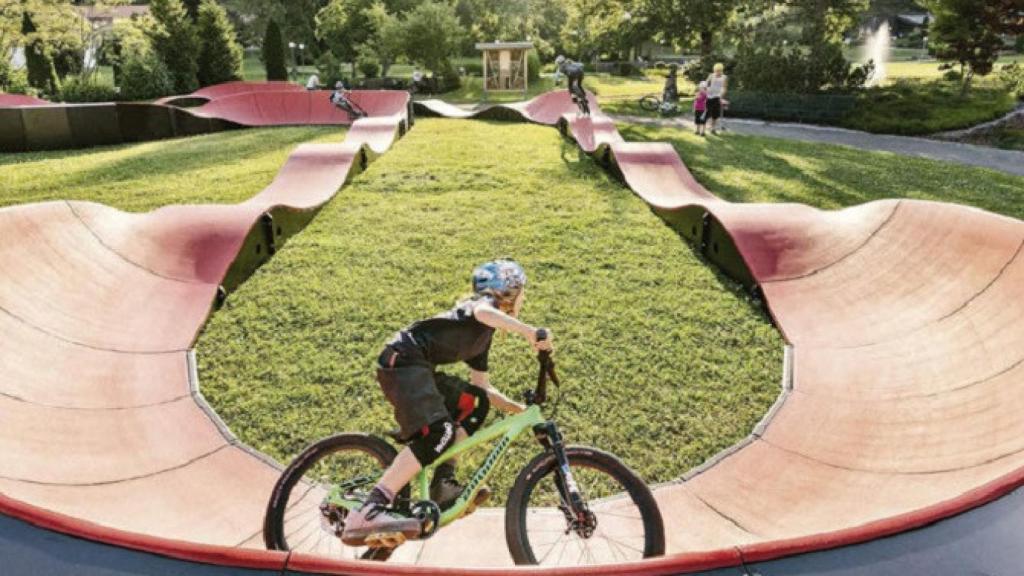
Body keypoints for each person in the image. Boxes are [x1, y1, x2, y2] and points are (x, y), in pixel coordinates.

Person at [340, 259, 554, 547]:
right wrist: (530, 332)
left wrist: (523, 413)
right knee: (438, 433)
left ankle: (443, 485)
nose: (524, 299)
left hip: (418, 368)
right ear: (508, 290)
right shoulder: (478, 308)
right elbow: (483, 312)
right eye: (522, 292)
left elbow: (484, 389)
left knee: (475, 403)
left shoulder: (483, 336)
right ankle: (368, 510)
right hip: (402, 361)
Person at [705, 63, 728, 134]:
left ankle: (713, 128)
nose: (718, 72)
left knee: (715, 113)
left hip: (717, 96)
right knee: (708, 111)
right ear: (714, 70)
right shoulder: (711, 76)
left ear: (722, 70)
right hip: (709, 96)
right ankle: (705, 125)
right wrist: (705, 90)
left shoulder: (724, 77)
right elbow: (705, 84)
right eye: (717, 71)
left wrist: (721, 95)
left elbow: (724, 88)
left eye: (720, 70)